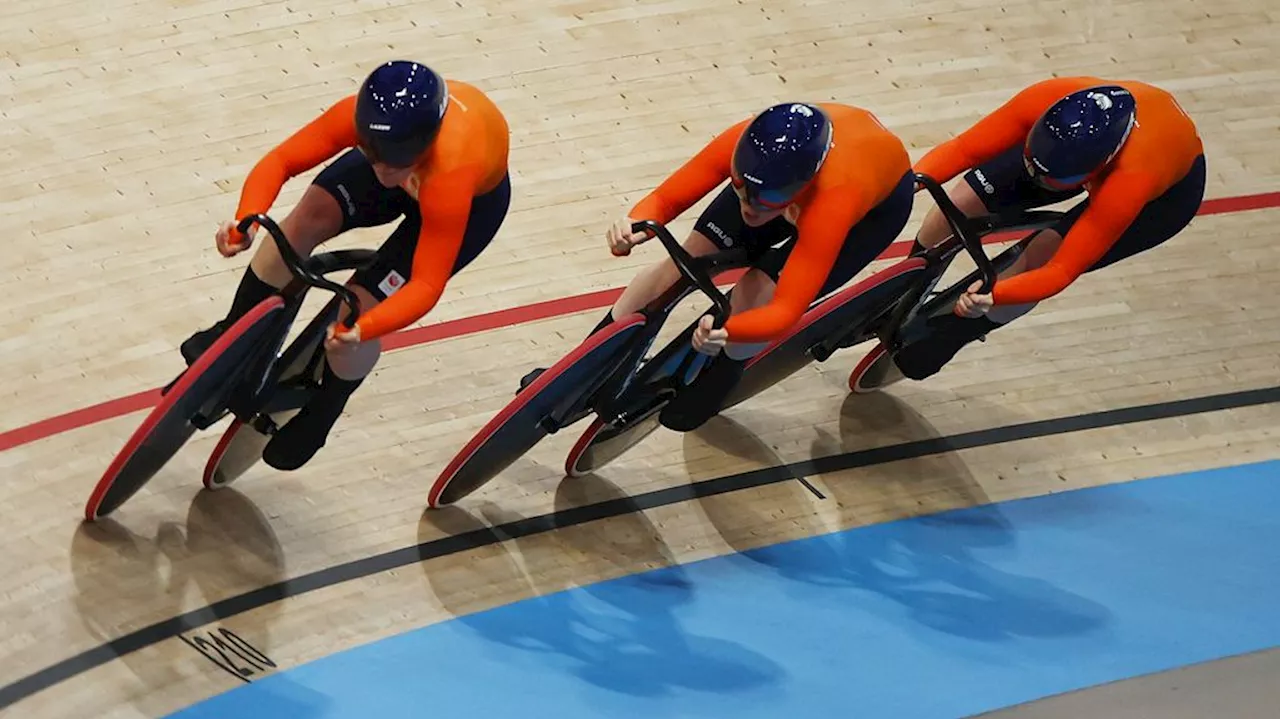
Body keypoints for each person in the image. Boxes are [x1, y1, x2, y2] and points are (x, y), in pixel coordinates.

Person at [182, 60, 511, 470]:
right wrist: (245, 219)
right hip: (418, 167)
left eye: (396, 162)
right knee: (304, 219)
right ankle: (235, 329)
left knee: (359, 306)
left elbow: (426, 284)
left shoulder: (452, 168)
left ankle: (326, 408)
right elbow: (282, 161)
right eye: (374, 156)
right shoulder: (368, 126)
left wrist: (363, 331)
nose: (384, 173)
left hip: (465, 205)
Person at [524, 101, 915, 431]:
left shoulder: (834, 201)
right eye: (740, 185)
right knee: (680, 264)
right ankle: (575, 373)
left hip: (870, 212)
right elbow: (666, 198)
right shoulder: (747, 148)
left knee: (758, 290)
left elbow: (785, 312)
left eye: (768, 197)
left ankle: (721, 381)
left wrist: (732, 328)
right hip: (800, 181)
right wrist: (636, 224)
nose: (749, 205)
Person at [863, 77, 1206, 387]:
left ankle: (959, 333)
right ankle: (903, 289)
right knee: (960, 202)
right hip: (1063, 156)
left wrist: (994, 297)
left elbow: (1062, 270)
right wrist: (910, 183)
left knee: (1042, 253)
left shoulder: (1130, 181)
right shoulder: (1045, 99)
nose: (1042, 182)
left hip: (1162, 199)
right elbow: (964, 150)